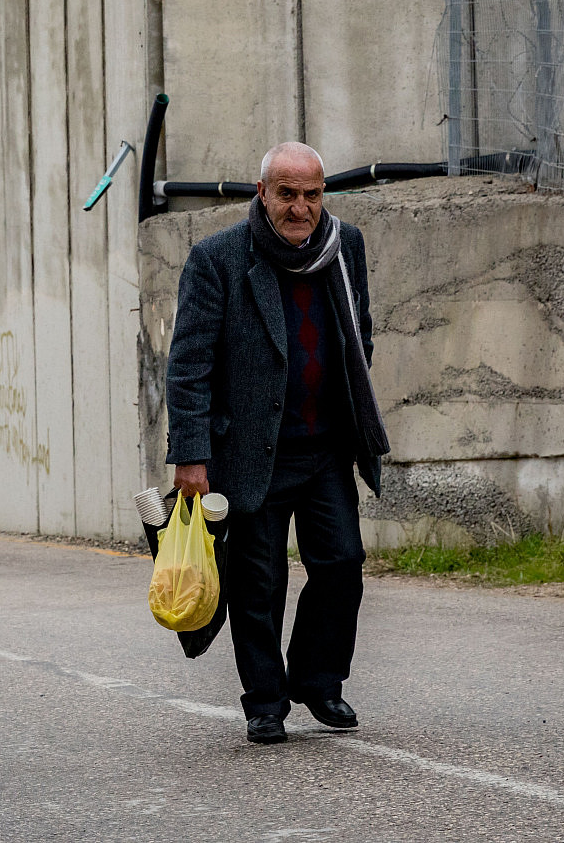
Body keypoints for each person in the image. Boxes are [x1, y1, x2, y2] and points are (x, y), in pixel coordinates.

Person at [163, 141, 389, 745]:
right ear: (261, 193)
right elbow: (188, 365)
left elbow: (357, 334)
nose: (300, 208)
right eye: (287, 193)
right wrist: (191, 456)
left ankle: (318, 680)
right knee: (258, 584)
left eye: (312, 195)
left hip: (324, 450)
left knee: (342, 564)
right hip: (250, 453)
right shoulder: (219, 260)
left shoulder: (346, 250)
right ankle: (265, 700)